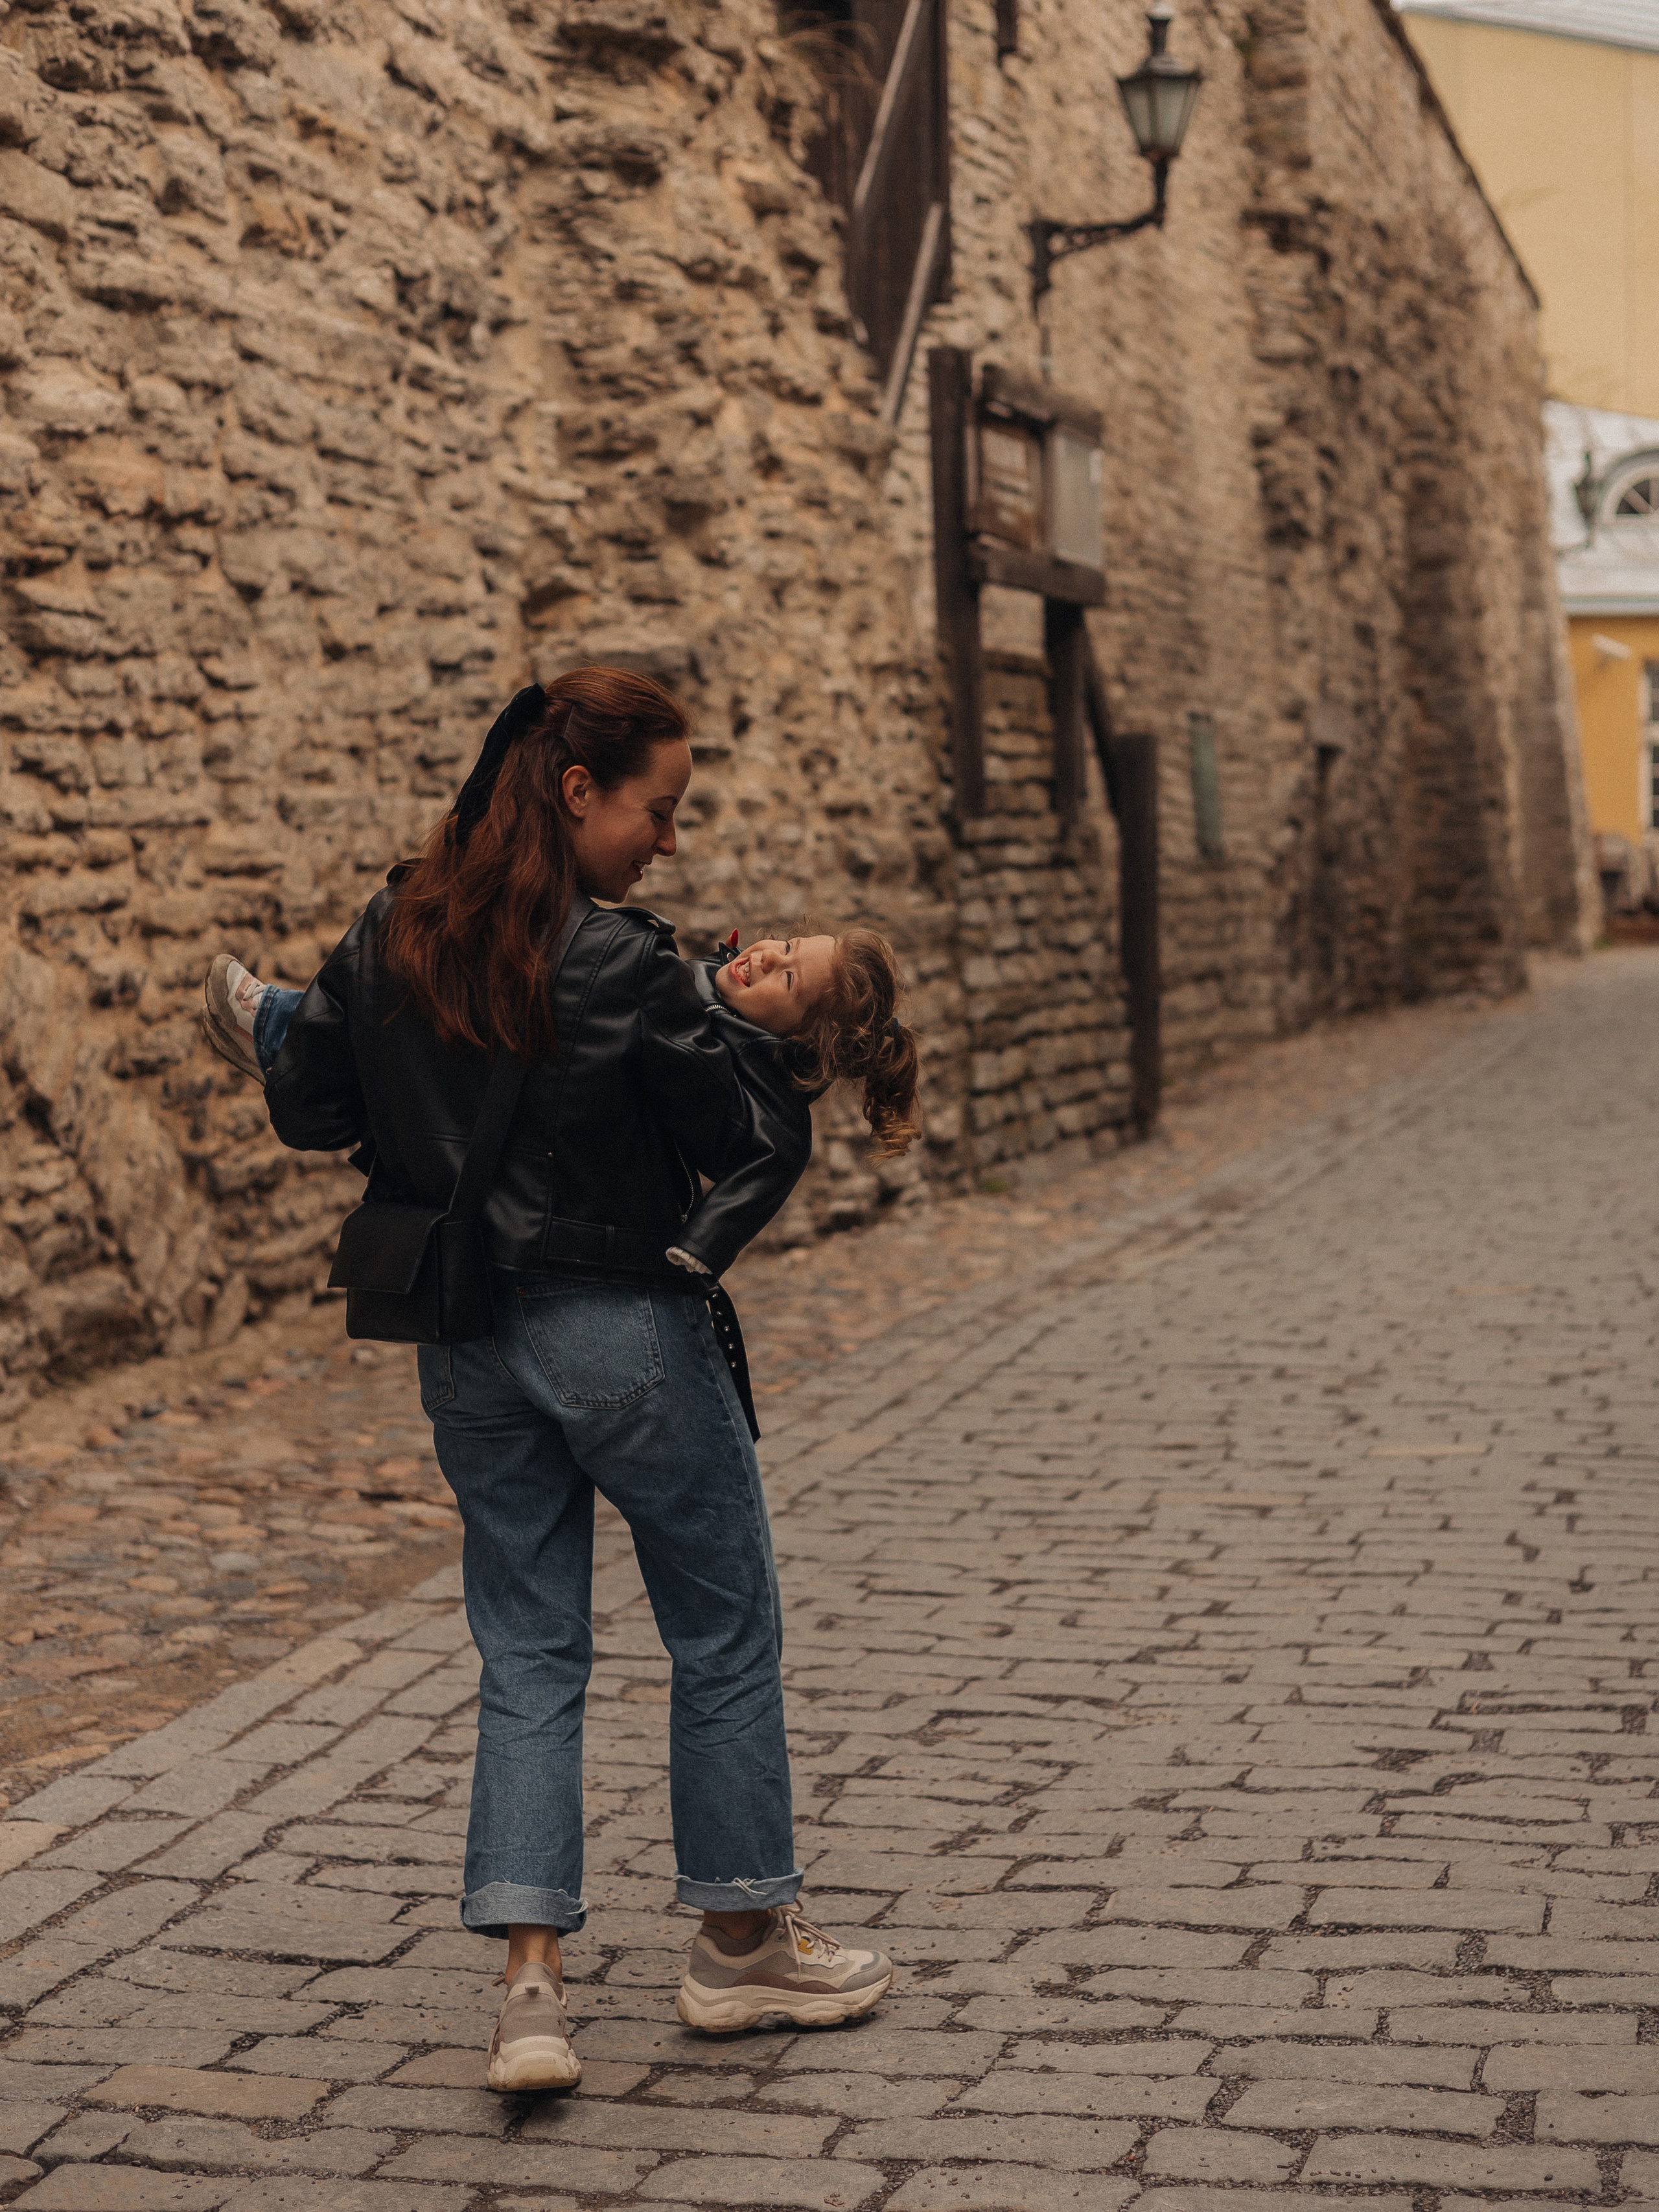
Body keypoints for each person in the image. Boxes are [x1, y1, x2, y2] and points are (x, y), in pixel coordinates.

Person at [220, 668, 918, 2094]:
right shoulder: (622, 964)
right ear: (578, 792)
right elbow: (729, 1130)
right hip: (620, 1332)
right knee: (721, 1628)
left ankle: (530, 1994)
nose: (666, 841)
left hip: (464, 1338)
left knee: (528, 1651)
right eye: (654, 810)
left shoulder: (394, 922)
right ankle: (737, 1939)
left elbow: (312, 1105)